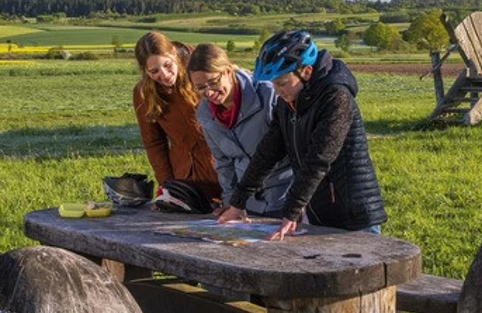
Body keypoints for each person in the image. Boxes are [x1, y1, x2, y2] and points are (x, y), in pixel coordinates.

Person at [216, 30, 386, 239]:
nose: (277, 91)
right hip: (319, 213)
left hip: (353, 216)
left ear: (306, 71)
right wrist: (238, 202)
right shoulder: (288, 102)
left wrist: (291, 211)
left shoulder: (336, 96)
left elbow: (319, 159)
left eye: (282, 83)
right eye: (273, 84)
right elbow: (267, 153)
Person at [188, 43, 293, 217]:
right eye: (200, 87)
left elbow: (296, 148)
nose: (209, 92)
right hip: (247, 203)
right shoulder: (205, 115)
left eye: (213, 82)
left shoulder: (268, 96)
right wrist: (231, 203)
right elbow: (224, 163)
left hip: (284, 194)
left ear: (228, 71)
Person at [132, 31, 221, 206]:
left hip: (221, 168)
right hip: (184, 176)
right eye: (154, 71)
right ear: (144, 70)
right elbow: (154, 143)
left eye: (167, 65)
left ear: (173, 53)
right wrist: (167, 185)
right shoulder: (143, 93)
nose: (164, 75)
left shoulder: (201, 72)